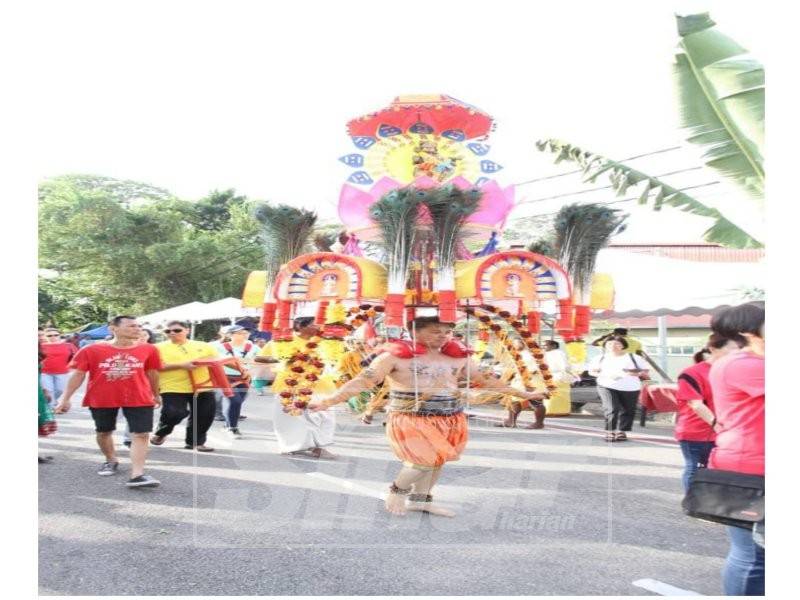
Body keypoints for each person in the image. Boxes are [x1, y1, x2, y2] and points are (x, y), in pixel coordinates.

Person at [309, 316, 548, 517]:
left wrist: (526, 394)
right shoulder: (392, 356)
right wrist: (327, 401)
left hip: (449, 416)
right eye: (435, 331)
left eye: (446, 332)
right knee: (422, 461)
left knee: (436, 461)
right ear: (414, 331)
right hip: (411, 417)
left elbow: (487, 380)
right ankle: (396, 491)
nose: (442, 336)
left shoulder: (459, 356)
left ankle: (420, 500)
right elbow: (363, 381)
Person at [54, 316, 162, 487]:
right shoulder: (92, 350)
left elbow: (152, 373)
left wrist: (156, 394)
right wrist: (65, 399)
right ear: (113, 328)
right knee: (104, 432)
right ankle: (111, 459)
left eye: (138, 326)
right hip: (102, 397)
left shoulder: (149, 349)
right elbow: (79, 374)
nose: (137, 329)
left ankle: (137, 474)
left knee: (141, 434)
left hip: (139, 396)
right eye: (131, 326)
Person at [708, 303, 765, 596]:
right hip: (752, 469)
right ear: (749, 332)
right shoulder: (745, 365)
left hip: (750, 462)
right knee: (754, 555)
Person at [254, 317, 337, 458]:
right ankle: (292, 446)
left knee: (324, 416)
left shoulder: (324, 341)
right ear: (300, 326)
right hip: (290, 384)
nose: (319, 327)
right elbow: (259, 358)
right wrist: (289, 358)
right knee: (293, 418)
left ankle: (318, 447)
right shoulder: (284, 340)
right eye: (314, 324)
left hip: (320, 384)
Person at [674, 333, 741, 491]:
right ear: (713, 349)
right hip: (696, 431)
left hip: (726, 431)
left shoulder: (736, 372)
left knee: (719, 470)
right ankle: (693, 500)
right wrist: (717, 425)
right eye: (733, 349)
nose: (737, 353)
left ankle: (712, 500)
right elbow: (696, 404)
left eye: (740, 349)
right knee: (695, 468)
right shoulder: (691, 373)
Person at [150, 320, 219, 452]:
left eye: (177, 330)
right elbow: (155, 367)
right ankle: (162, 432)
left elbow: (216, 362)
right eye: (168, 331)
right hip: (172, 386)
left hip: (202, 385)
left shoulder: (204, 346)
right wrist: (182, 365)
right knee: (174, 413)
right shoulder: (157, 348)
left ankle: (196, 442)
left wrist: (241, 371)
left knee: (204, 415)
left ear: (187, 330)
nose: (172, 333)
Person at [588, 335, 649, 442]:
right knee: (611, 408)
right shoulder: (600, 358)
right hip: (606, 385)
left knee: (628, 409)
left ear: (623, 345)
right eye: (610, 344)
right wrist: (602, 374)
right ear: (605, 346)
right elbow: (591, 372)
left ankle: (622, 431)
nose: (613, 346)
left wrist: (635, 373)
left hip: (630, 387)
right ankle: (610, 431)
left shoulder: (633, 357)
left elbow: (645, 371)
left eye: (617, 344)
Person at [212, 325, 257, 438]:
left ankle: (227, 425)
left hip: (245, 378)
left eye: (245, 332)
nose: (244, 335)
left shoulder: (253, 347)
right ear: (230, 335)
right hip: (225, 378)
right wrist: (244, 363)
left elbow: (261, 360)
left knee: (237, 402)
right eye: (239, 333)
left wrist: (250, 370)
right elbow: (220, 361)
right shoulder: (219, 347)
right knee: (235, 400)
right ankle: (233, 428)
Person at [40, 328, 76, 407]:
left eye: (56, 335)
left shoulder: (69, 345)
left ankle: (53, 401)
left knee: (60, 390)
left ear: (60, 335)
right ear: (45, 337)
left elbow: (76, 356)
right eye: (49, 335)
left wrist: (73, 367)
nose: (53, 337)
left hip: (62, 372)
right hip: (45, 372)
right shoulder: (40, 346)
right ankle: (51, 407)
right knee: (49, 391)